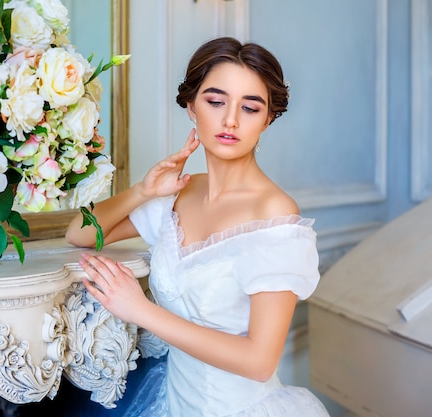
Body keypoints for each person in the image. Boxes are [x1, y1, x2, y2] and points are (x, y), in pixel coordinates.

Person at [65, 37, 330, 417]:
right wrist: (142, 190)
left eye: (250, 108)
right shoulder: (179, 194)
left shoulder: (275, 213)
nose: (231, 120)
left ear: (268, 119)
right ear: (191, 107)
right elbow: (79, 232)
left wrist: (139, 309)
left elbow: (259, 362)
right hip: (174, 403)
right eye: (216, 101)